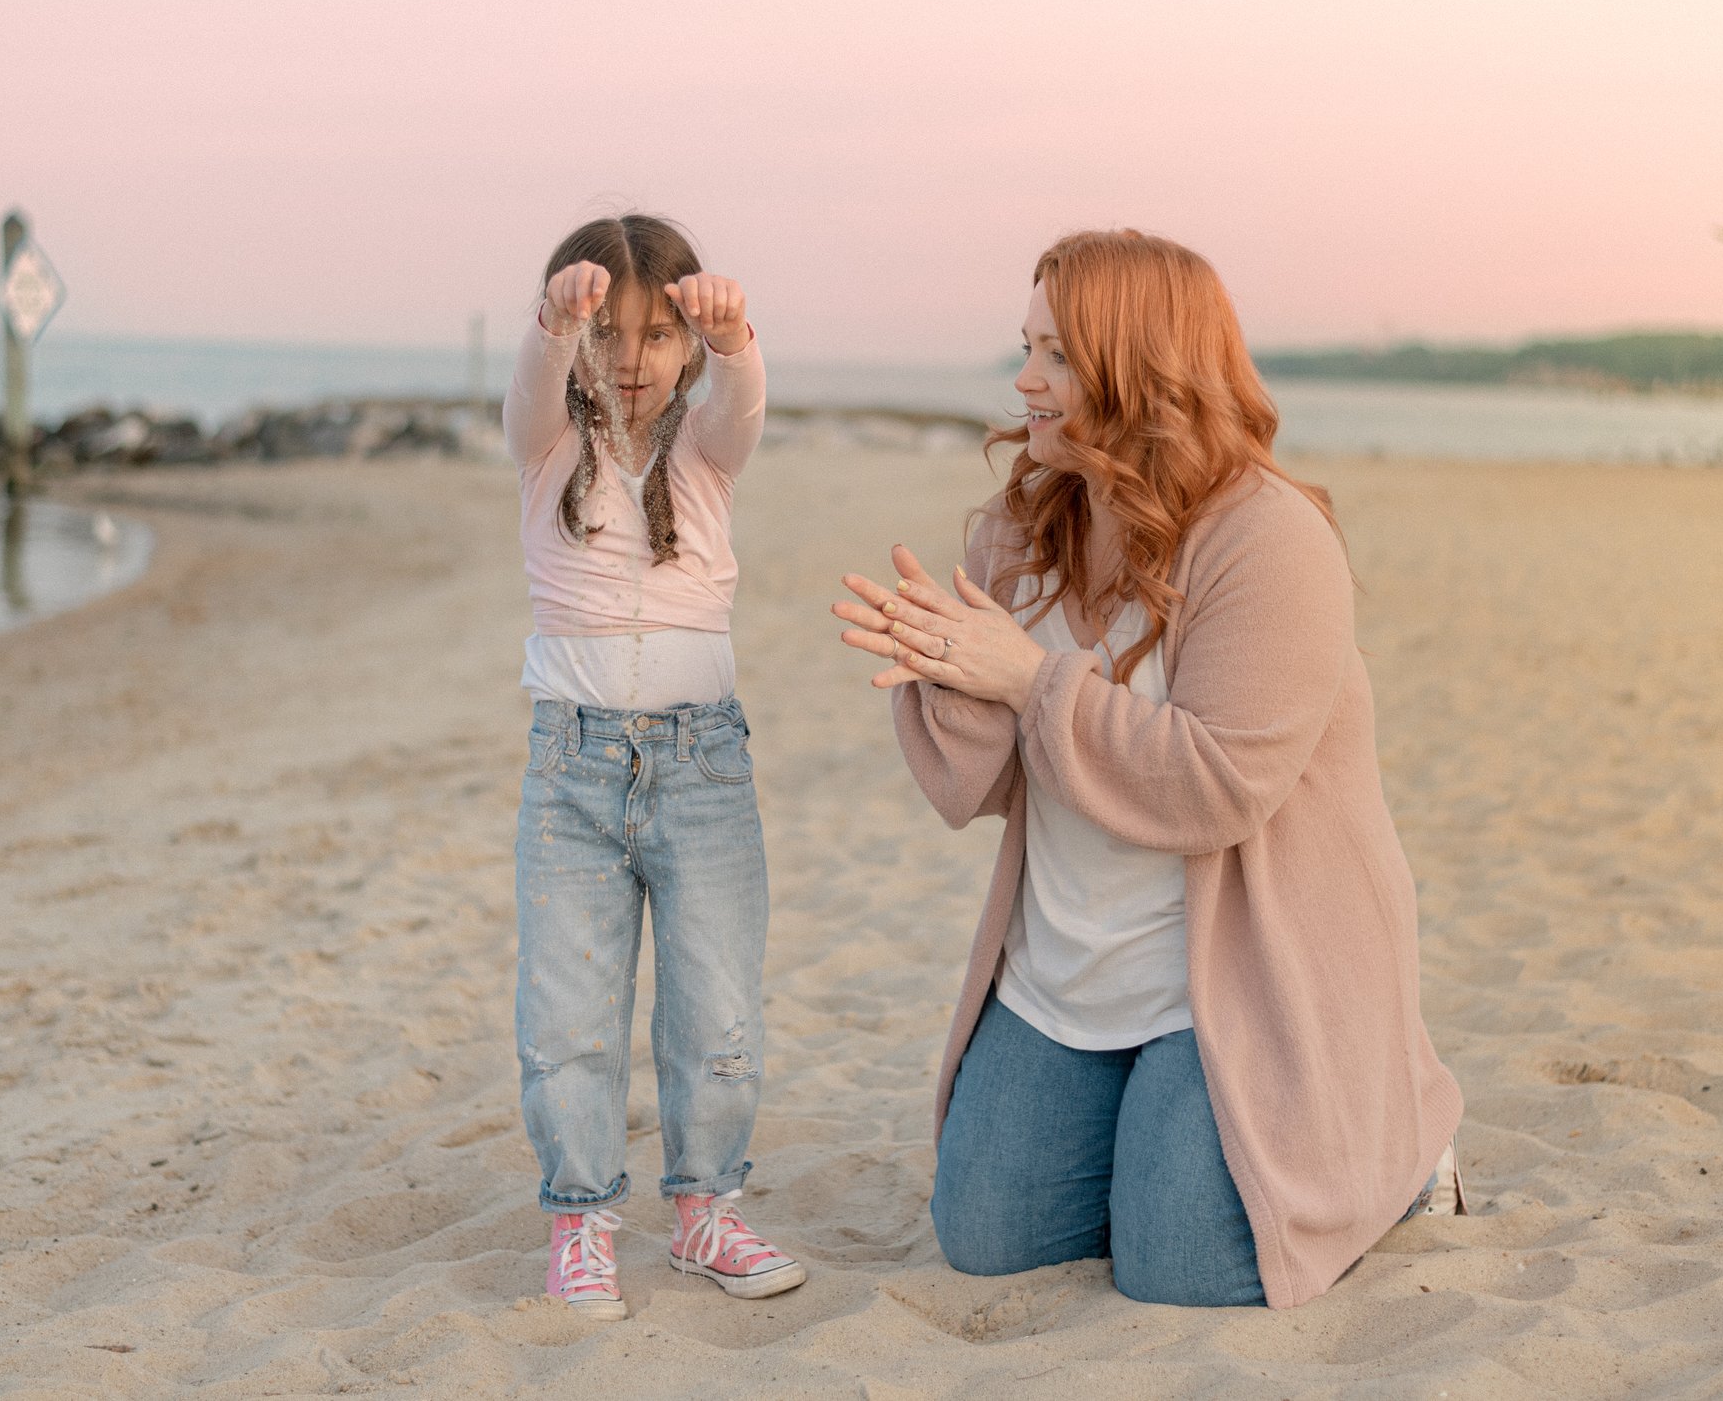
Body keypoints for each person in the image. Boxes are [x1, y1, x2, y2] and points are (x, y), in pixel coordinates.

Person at [830, 228, 1464, 1309]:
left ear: (1143, 370)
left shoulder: (1268, 541)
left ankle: (1407, 1155)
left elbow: (1216, 785)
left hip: (1231, 977)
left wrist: (1028, 681)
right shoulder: (1015, 530)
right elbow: (966, 788)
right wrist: (946, 672)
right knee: (985, 1237)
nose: (1025, 379)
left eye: (1059, 355)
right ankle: (1150, 1131)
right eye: (1025, 347)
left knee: (1188, 1265)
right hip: (1064, 976)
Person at [504, 213, 806, 1320]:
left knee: (715, 1003)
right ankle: (581, 1220)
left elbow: (744, 403)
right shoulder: (545, 446)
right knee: (569, 1010)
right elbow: (532, 393)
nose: (630, 360)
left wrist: (732, 341)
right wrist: (552, 326)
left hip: (701, 765)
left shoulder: (705, 452)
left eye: (655, 336)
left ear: (682, 348)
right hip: (570, 768)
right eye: (608, 334)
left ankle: (704, 1213)